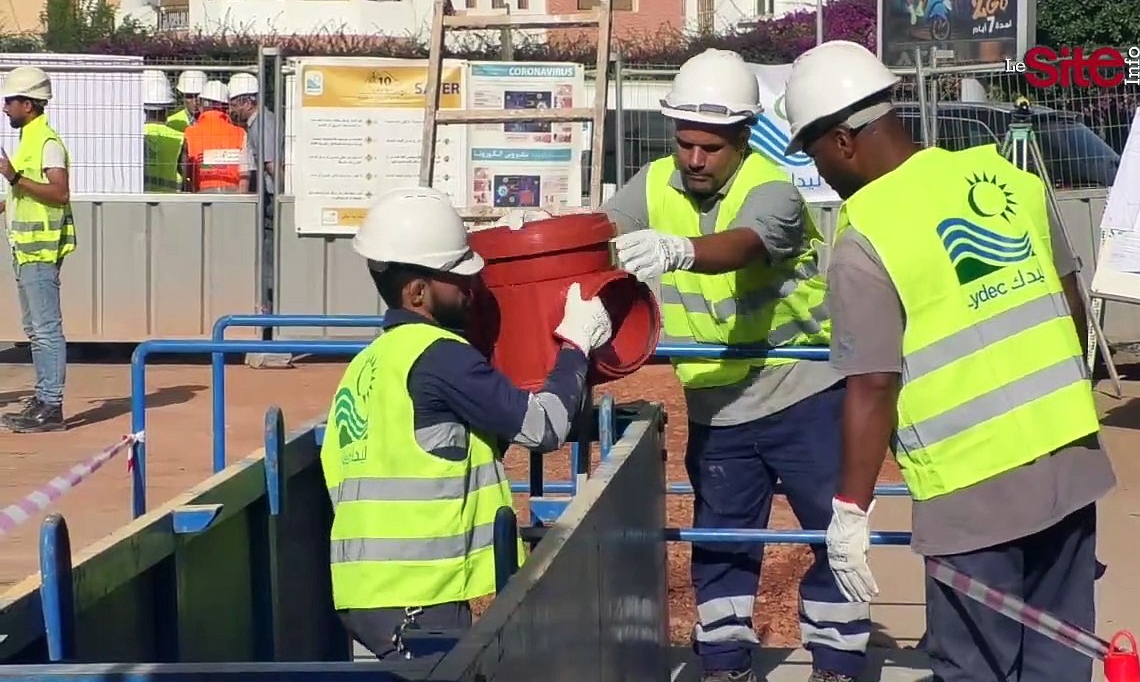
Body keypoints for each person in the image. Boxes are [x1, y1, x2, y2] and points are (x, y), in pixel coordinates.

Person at [783, 40, 1115, 682]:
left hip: (971, 494)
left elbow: (873, 385)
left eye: (814, 152)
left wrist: (849, 511)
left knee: (974, 669)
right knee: (1061, 658)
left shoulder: (867, 236)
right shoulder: (1010, 184)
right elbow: (1072, 311)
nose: (818, 170)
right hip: (1069, 467)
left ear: (843, 140)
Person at [603, 49, 870, 682]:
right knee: (722, 544)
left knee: (835, 535)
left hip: (803, 394)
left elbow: (742, 246)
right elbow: (601, 235)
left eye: (711, 148)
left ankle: (835, 663)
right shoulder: (651, 183)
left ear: (744, 137)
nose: (694, 160)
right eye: (685, 143)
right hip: (717, 407)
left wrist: (677, 250)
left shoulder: (772, 190)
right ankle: (724, 663)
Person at [321, 186, 613, 660]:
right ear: (418, 292)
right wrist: (576, 347)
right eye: (458, 280)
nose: (472, 289)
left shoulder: (368, 365)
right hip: (418, 593)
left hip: (365, 589)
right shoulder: (441, 357)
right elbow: (543, 428)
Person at [0, 66, 74, 433]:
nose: (5, 108)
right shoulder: (28, 141)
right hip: (25, 250)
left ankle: (51, 404)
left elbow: (59, 192)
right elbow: (19, 195)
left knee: (45, 329)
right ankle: (43, 399)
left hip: (40, 252)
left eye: (9, 101)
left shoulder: (46, 143)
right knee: (34, 328)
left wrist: (12, 176)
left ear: (27, 104)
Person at [227, 72, 290, 370]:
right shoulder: (259, 123)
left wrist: (281, 201)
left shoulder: (261, 124)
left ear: (246, 101)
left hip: (272, 206)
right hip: (271, 204)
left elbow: (271, 165)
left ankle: (270, 334)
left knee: (270, 269)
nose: (231, 110)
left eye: (234, 103)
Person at [180, 80, 245, 194]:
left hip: (203, 193)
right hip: (234, 194)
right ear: (226, 107)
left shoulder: (190, 132)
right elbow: (246, 169)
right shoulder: (240, 133)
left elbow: (186, 167)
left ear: (201, 105)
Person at [142, 70, 184, 193]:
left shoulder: (135, 136)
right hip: (170, 197)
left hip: (140, 196)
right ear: (167, 109)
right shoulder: (180, 137)